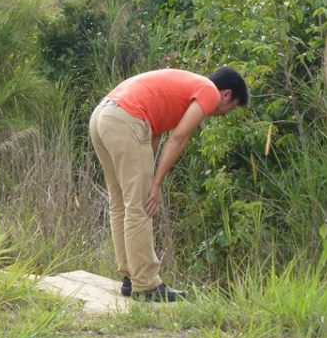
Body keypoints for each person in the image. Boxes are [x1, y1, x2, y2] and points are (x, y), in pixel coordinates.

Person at [89, 66, 249, 302]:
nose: (224, 114)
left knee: (121, 203)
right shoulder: (209, 91)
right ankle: (145, 284)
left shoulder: (187, 85)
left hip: (102, 116)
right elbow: (179, 137)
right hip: (125, 119)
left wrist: (150, 174)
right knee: (141, 205)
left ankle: (129, 277)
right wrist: (156, 184)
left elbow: (153, 135)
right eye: (231, 107)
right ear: (226, 94)